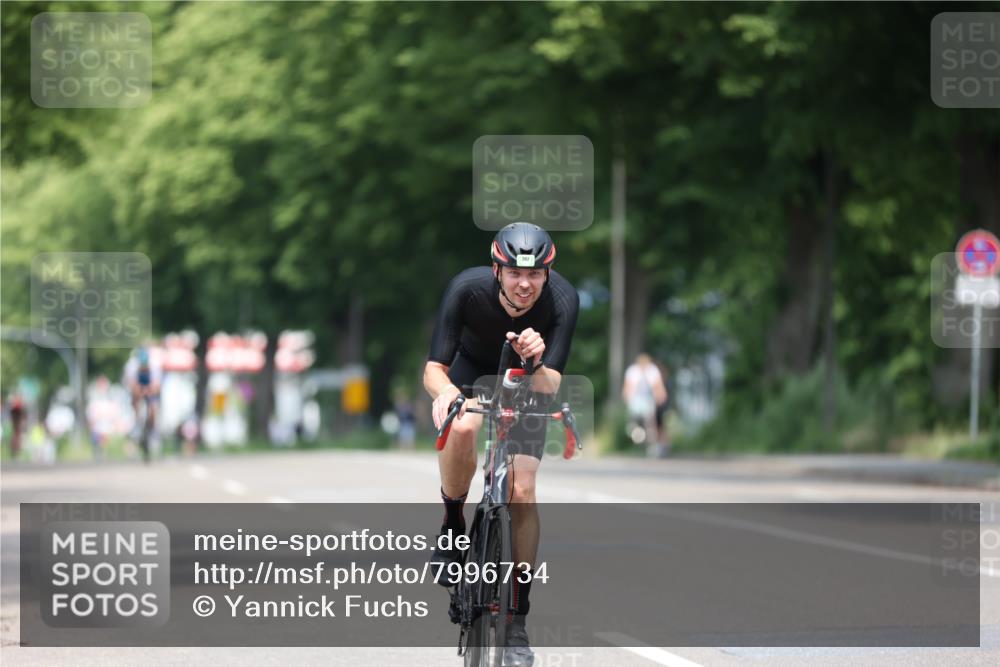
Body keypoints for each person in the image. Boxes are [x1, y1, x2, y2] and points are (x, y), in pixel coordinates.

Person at [424, 222, 579, 667]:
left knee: (523, 492)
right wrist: (449, 394)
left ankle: (517, 622)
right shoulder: (466, 290)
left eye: (534, 275)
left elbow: (551, 385)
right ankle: (453, 523)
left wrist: (535, 359)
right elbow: (434, 367)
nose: (524, 284)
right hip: (470, 372)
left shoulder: (564, 300)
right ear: (497, 270)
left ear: (547, 274)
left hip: (528, 382)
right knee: (467, 426)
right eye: (514, 273)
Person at [622, 353, 669, 457]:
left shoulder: (652, 370)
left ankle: (652, 445)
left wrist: (662, 395)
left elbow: (658, 384)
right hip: (635, 400)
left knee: (650, 422)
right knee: (633, 420)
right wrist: (626, 396)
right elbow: (628, 385)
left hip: (648, 400)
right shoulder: (632, 371)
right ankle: (636, 432)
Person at [124, 346, 162, 462]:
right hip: (137, 388)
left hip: (150, 389)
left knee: (153, 409)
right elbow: (131, 385)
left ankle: (152, 430)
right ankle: (137, 423)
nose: (144, 368)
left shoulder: (155, 366)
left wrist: (149, 391)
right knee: (135, 402)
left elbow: (156, 386)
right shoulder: (131, 366)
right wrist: (139, 392)